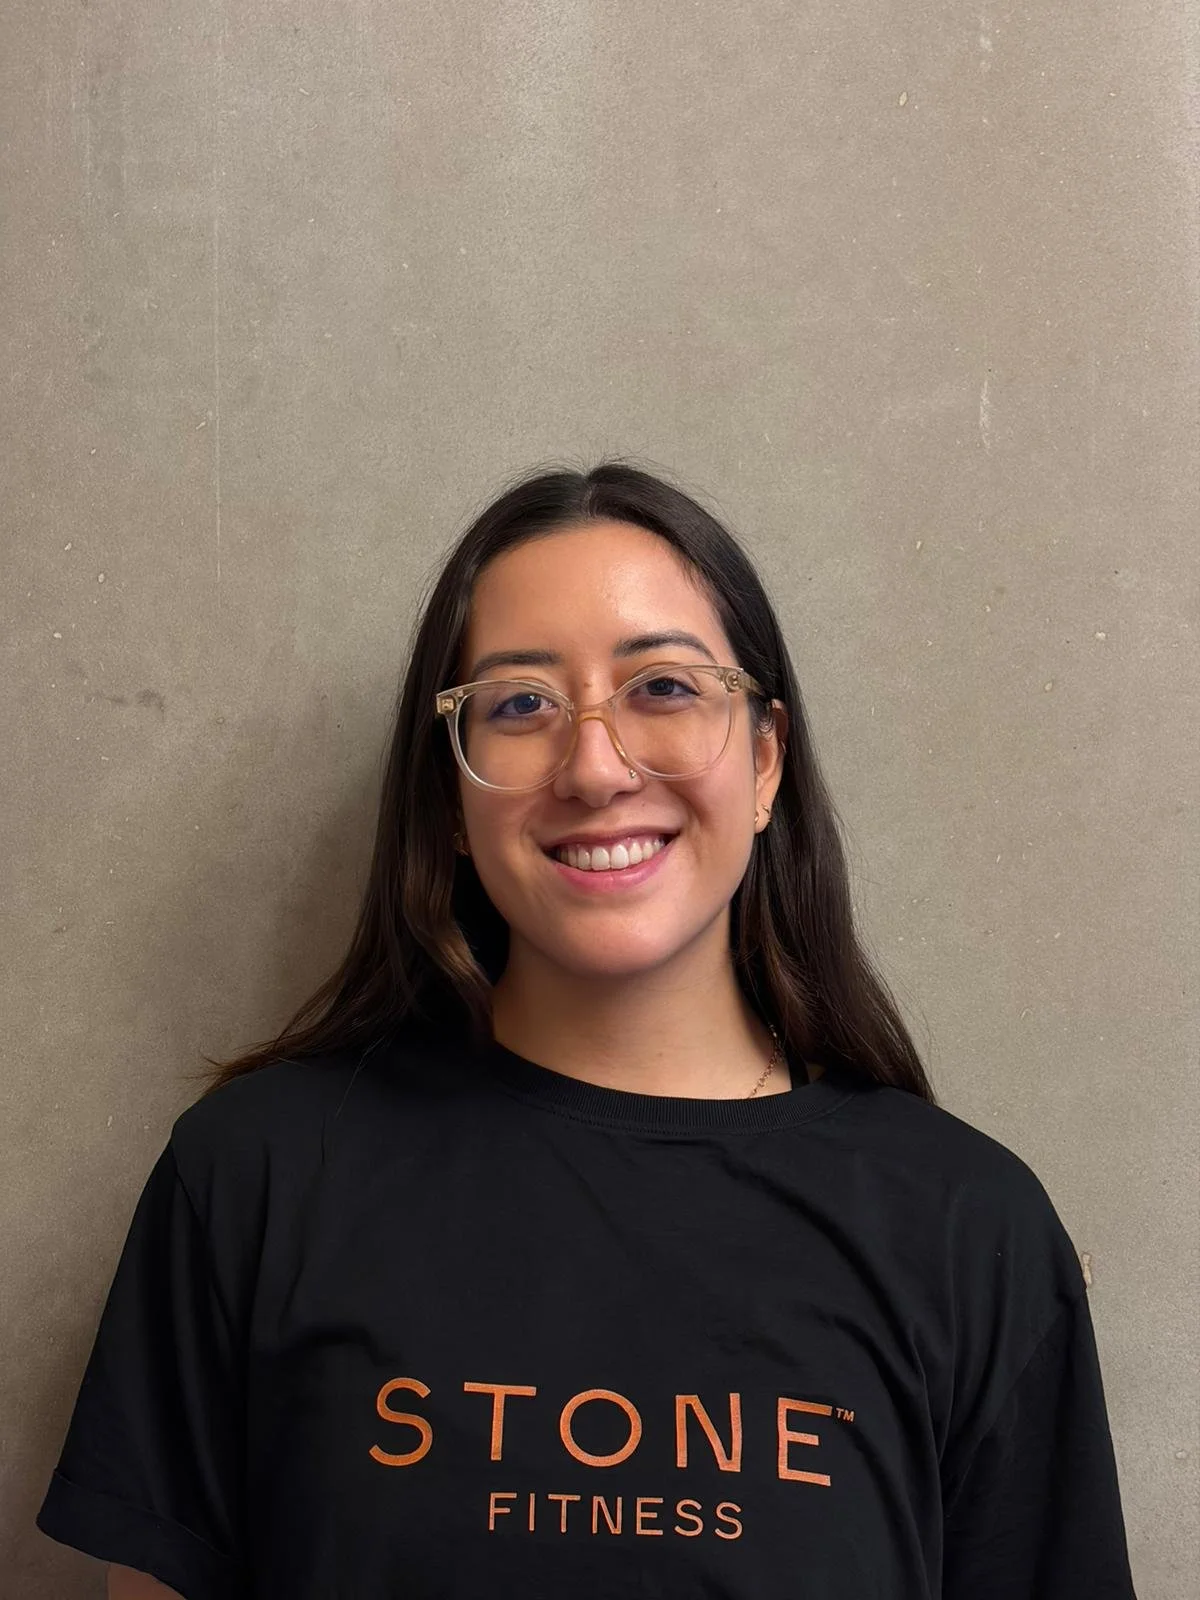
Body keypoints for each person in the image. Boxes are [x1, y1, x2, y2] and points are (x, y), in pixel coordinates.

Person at [37, 461, 1137, 1599]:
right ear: (451, 799)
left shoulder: (969, 1232)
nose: (596, 765)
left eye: (662, 686)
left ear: (764, 761)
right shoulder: (255, 1179)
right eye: (520, 704)